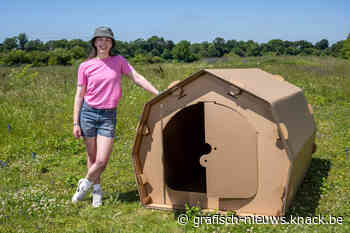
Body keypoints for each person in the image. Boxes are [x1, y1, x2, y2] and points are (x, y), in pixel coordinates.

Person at [72, 26, 159, 207]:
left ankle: (85, 183)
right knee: (92, 157)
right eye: (100, 40)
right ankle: (97, 191)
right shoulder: (85, 66)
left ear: (112, 43)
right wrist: (75, 122)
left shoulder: (119, 61)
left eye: (107, 40)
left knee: (102, 160)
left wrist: (157, 93)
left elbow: (137, 77)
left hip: (108, 116)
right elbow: (79, 95)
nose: (103, 43)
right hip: (88, 113)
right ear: (95, 43)